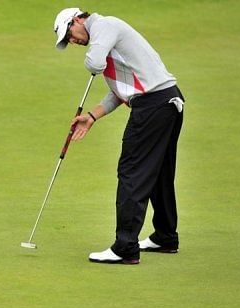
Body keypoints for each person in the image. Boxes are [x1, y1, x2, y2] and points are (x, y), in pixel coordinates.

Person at [53, 8, 185, 264]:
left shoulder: (105, 26)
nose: (73, 41)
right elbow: (121, 92)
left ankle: (125, 247)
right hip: (167, 102)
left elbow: (93, 63)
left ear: (77, 20)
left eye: (69, 34)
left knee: (131, 172)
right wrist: (91, 116)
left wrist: (93, 59)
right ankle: (165, 236)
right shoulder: (109, 40)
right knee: (159, 172)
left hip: (153, 107)